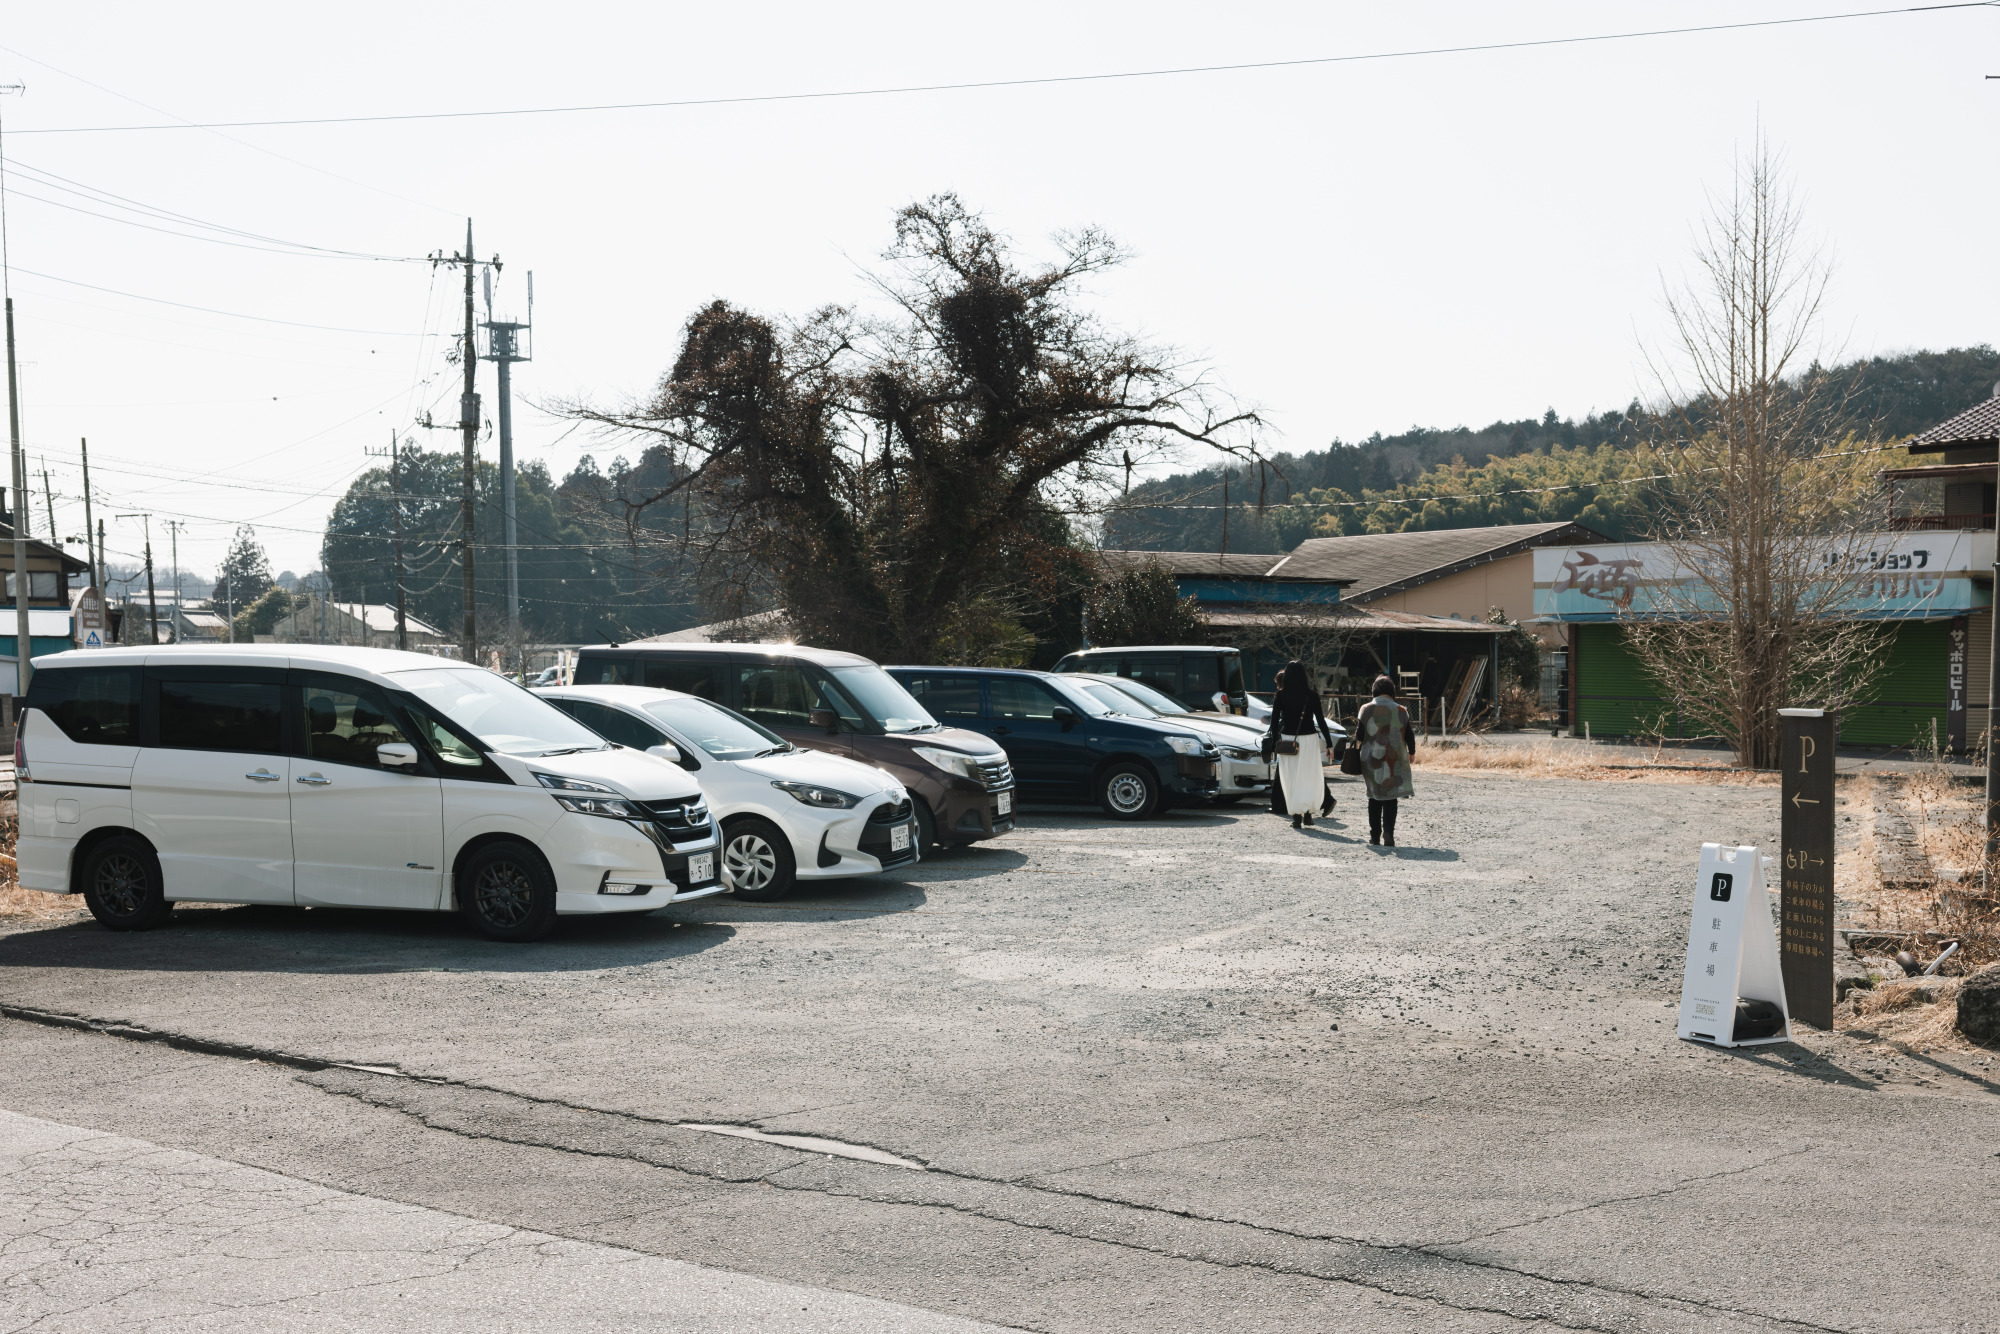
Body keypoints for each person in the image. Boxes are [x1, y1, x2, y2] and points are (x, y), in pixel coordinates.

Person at [1265, 659, 1334, 829]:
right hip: (1309, 739)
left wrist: (1274, 742)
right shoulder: (1311, 695)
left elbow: (1274, 722)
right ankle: (1308, 814)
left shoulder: (1280, 695)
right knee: (1308, 776)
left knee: (1291, 777)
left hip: (1288, 740)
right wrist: (1329, 743)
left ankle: (1296, 817)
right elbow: (1321, 721)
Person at [1355, 674, 1416, 847]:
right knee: (1391, 797)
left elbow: (1359, 735)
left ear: (1374, 690)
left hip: (1370, 759)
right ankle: (1388, 831)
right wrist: (1412, 753)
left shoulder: (1365, 709)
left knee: (1373, 796)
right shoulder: (1401, 710)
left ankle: (1374, 836)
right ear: (1392, 691)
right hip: (1394, 759)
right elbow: (1409, 735)